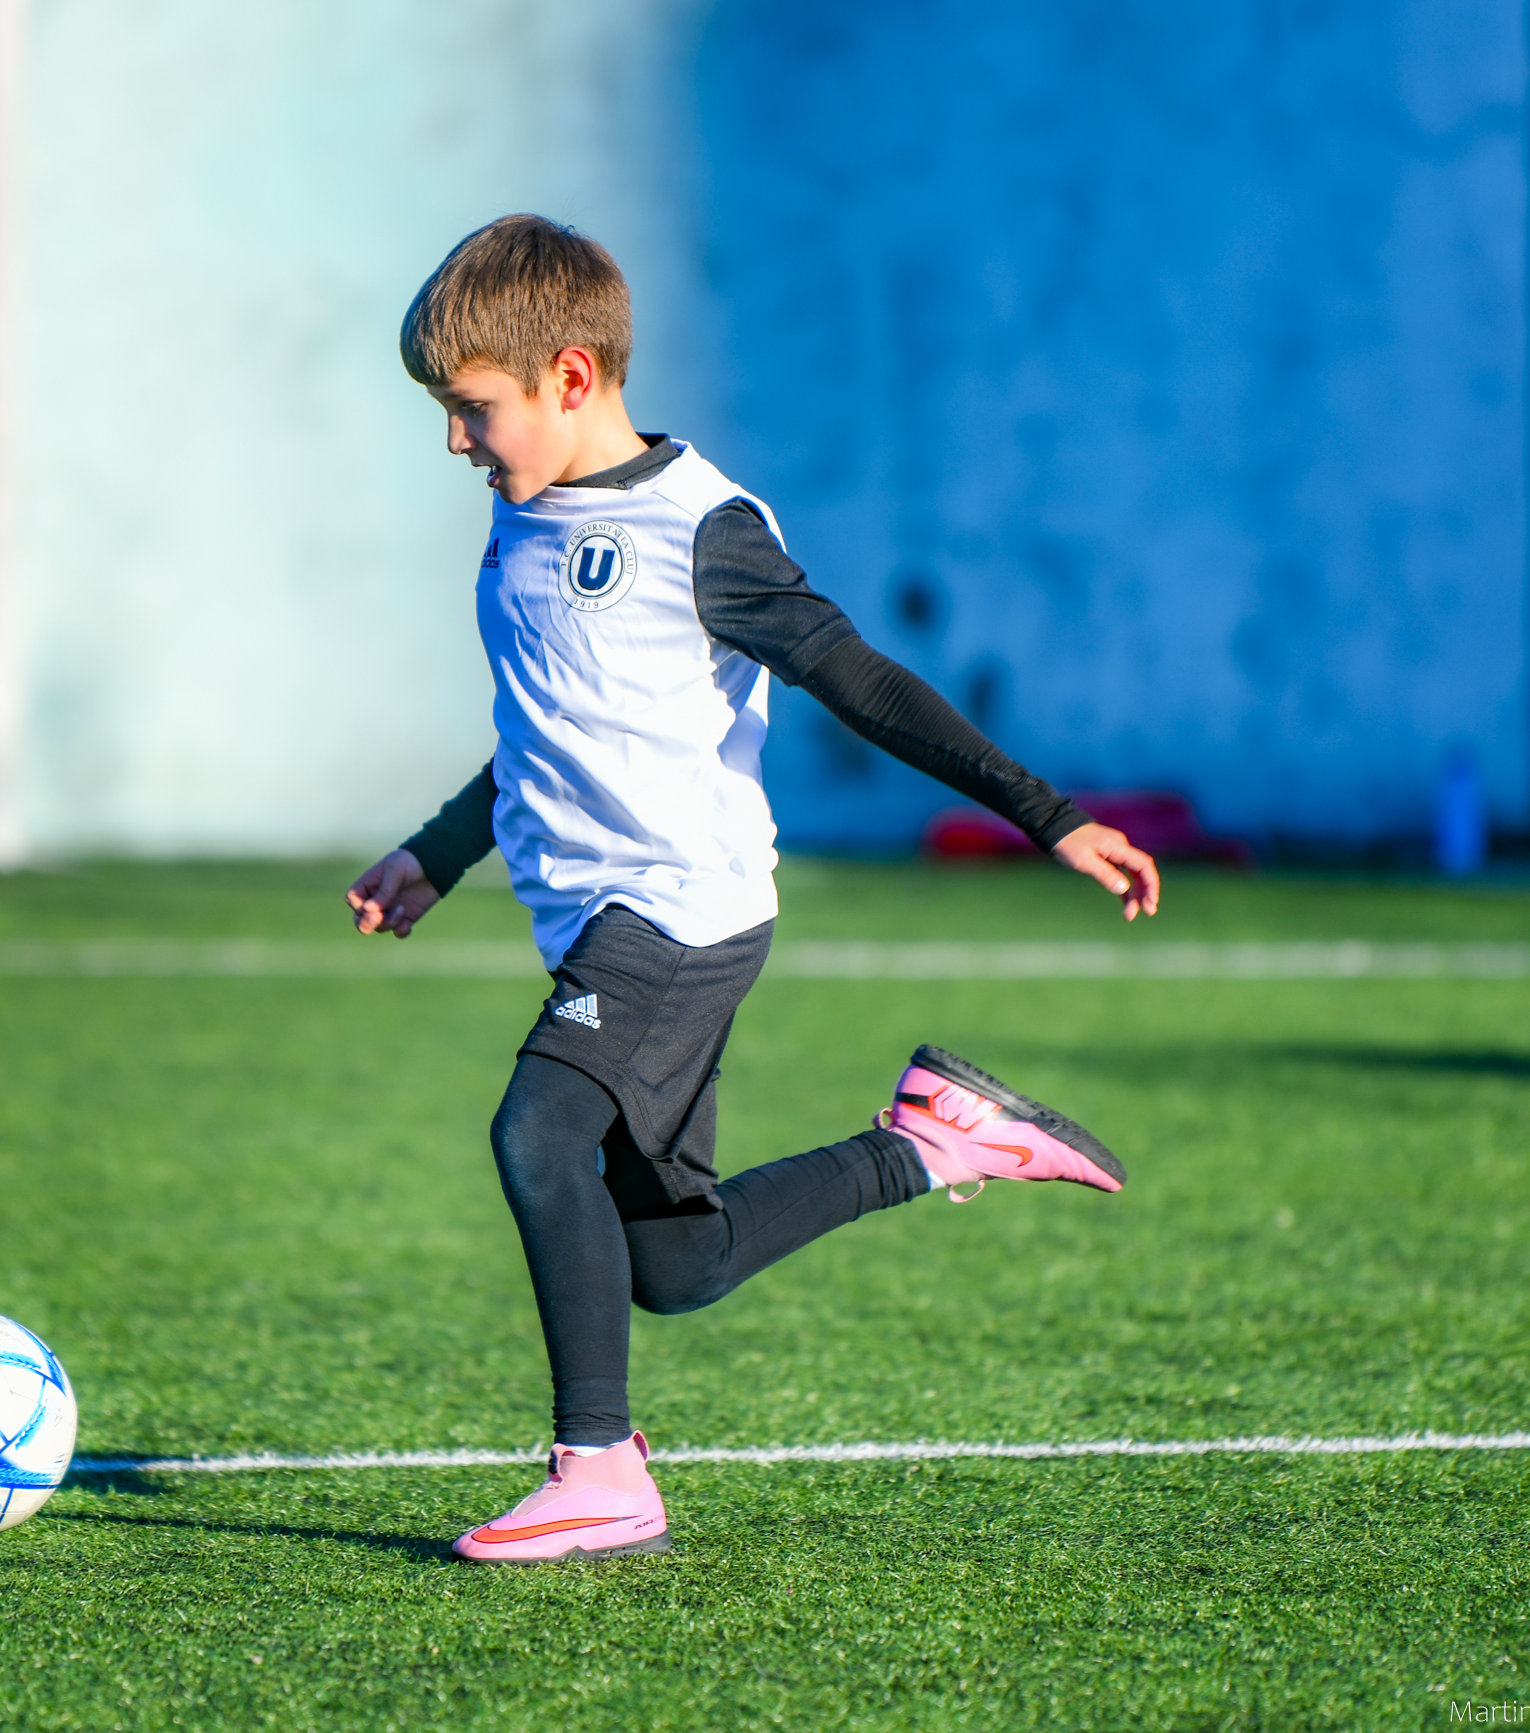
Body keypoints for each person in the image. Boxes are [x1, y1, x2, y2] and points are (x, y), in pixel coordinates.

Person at [345, 215, 1160, 1565]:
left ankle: (599, 1469)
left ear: (567, 375)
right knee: (678, 1262)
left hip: (675, 916)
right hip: (606, 929)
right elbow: (548, 727)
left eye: (472, 409)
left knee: (535, 1136)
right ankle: (932, 1140)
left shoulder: (699, 532)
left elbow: (866, 683)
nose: (456, 443)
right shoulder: (524, 522)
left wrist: (1047, 814)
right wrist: (435, 852)